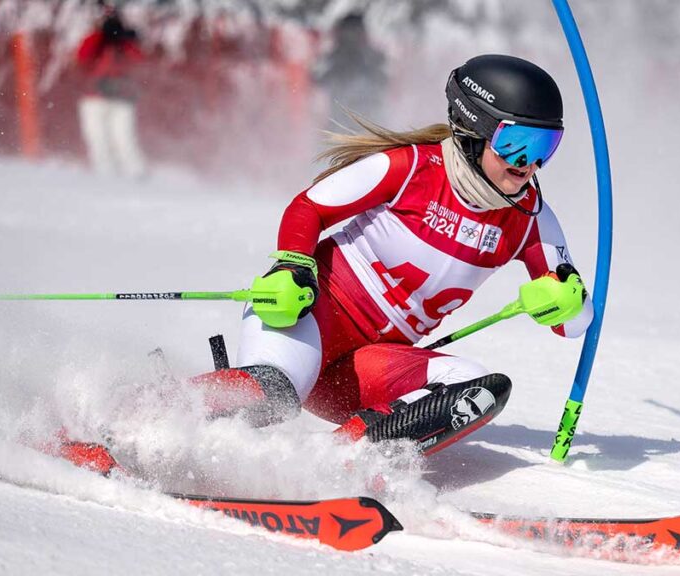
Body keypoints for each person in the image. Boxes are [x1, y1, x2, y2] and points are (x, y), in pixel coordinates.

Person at [61, 55, 593, 475]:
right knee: (273, 392)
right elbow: (309, 207)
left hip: (369, 369)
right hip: (310, 320)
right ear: (474, 132)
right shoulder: (409, 168)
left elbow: (574, 325)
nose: (531, 166)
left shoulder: (530, 219)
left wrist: (569, 300)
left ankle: (330, 464)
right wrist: (292, 266)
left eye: (547, 146)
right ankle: (108, 423)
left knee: (481, 388)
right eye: (517, 144)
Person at [76, 4, 146, 179]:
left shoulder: (126, 42)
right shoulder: (95, 39)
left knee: (123, 139)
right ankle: (105, 177)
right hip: (94, 96)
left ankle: (136, 174)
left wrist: (125, 39)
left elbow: (139, 62)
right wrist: (101, 36)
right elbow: (82, 57)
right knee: (97, 140)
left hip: (122, 97)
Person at [313, 12, 389, 126]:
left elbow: (383, 80)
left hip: (365, 114)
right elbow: (320, 79)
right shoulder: (336, 56)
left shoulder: (371, 56)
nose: (350, 37)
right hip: (345, 115)